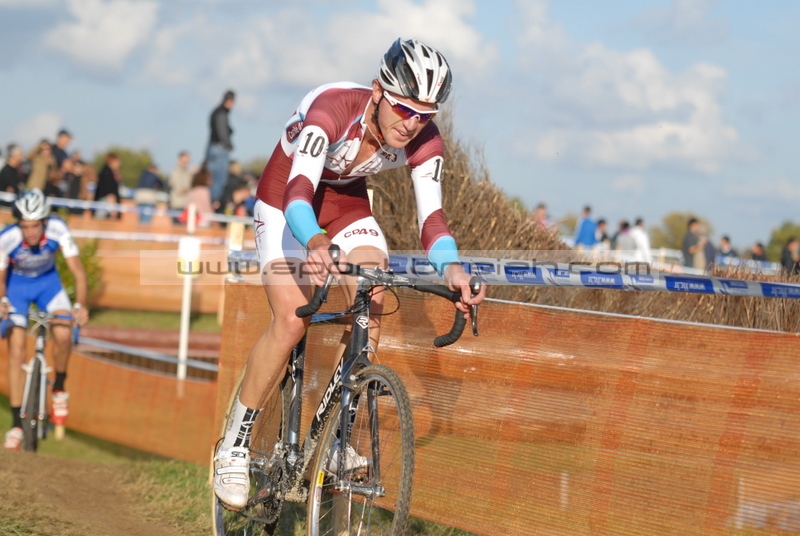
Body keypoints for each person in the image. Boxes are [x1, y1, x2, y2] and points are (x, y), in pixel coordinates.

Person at [212, 37, 486, 510]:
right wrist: (315, 242)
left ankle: (338, 438)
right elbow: (299, 191)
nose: (414, 123)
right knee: (292, 319)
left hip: (345, 205)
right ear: (379, 91)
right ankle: (234, 444)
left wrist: (455, 269)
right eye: (404, 109)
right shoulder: (332, 110)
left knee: (374, 286)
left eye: (426, 114)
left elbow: (431, 221)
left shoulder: (424, 138)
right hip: (285, 202)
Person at [0, 189, 89, 450]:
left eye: (35, 226)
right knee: (16, 351)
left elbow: (79, 272)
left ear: (44, 222)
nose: (30, 232)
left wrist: (80, 306)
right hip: (17, 287)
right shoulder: (8, 237)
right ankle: (16, 425)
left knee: (63, 334)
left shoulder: (58, 229)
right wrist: (3, 301)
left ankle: (59, 387)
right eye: (25, 226)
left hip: (49, 285)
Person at [207, 89, 235, 203]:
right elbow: (222, 131)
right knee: (219, 180)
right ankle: (213, 205)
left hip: (212, 148)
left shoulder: (216, 112)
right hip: (219, 149)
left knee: (211, 179)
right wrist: (229, 145)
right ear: (230, 101)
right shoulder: (222, 113)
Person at [93, 152, 121, 219]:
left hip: (105, 202)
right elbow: (109, 192)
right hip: (105, 202)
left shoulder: (109, 172)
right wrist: (113, 208)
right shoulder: (107, 173)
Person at [168, 151, 192, 224]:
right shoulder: (174, 172)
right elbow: (175, 187)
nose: (186, 162)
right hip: (176, 204)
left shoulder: (188, 173)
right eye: (184, 160)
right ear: (179, 159)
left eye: (187, 161)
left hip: (185, 205)